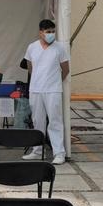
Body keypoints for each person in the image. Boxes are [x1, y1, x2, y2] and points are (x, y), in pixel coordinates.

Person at [22, 19, 69, 165]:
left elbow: (65, 69)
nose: (51, 34)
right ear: (41, 32)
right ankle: (37, 151)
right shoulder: (32, 47)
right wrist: (39, 80)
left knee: (55, 121)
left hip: (53, 90)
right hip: (36, 89)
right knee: (37, 121)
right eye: (48, 32)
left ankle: (59, 153)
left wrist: (55, 81)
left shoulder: (60, 48)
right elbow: (30, 67)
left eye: (53, 31)